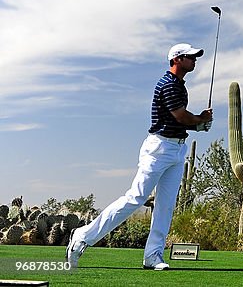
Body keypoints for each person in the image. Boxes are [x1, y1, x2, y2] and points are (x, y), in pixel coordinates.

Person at [66, 43, 213, 270]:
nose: (194, 60)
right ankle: (83, 236)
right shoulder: (168, 85)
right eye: (190, 57)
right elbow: (182, 117)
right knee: (135, 198)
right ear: (176, 59)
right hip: (159, 150)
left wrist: (199, 126)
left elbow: (176, 121)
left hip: (176, 149)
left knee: (165, 205)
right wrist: (200, 118)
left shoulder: (180, 86)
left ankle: (153, 256)